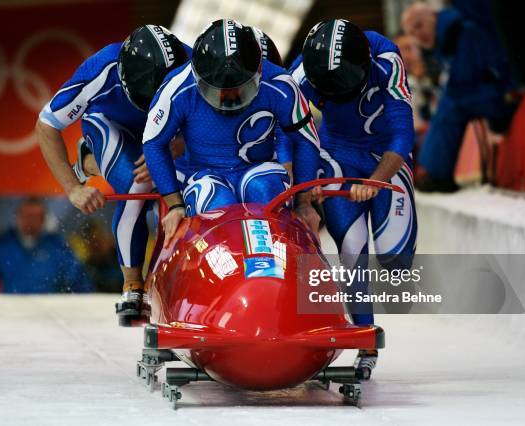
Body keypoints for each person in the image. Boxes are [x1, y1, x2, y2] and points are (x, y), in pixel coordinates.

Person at [35, 25, 190, 325]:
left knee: (189, 185)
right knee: (140, 184)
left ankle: (91, 163)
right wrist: (72, 189)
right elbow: (46, 125)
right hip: (110, 125)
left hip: (167, 131)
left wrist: (176, 144)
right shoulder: (100, 71)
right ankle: (133, 284)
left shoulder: (191, 61)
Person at [290, 19, 417, 379]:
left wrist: (376, 182)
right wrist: (305, 183)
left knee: (396, 260)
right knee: (352, 250)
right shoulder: (299, 74)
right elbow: (287, 131)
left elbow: (402, 135)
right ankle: (365, 341)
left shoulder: (386, 60)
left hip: (384, 158)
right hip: (337, 157)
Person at [142, 19, 321, 244]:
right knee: (215, 200)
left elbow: (306, 140)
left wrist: (304, 204)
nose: (230, 99)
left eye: (240, 88)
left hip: (258, 168)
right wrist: (175, 205)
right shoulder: (176, 88)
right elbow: (153, 143)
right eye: (218, 91)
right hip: (205, 174)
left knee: (262, 187)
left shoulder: (281, 85)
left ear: (258, 72)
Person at [402, 2, 516, 191]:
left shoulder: (462, 32)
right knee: (449, 103)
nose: (418, 35)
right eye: (412, 33)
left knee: (452, 105)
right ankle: (433, 171)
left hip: (502, 95)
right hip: (489, 93)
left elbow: (463, 82)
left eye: (419, 25)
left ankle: (436, 174)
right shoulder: (447, 39)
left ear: (434, 16)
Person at [0, 198, 93, 294]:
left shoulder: (58, 249)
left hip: (48, 314)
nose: (30, 221)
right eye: (27, 216)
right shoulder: (2, 248)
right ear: (18, 217)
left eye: (35, 217)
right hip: (11, 313)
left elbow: (80, 284)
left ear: (43, 219)